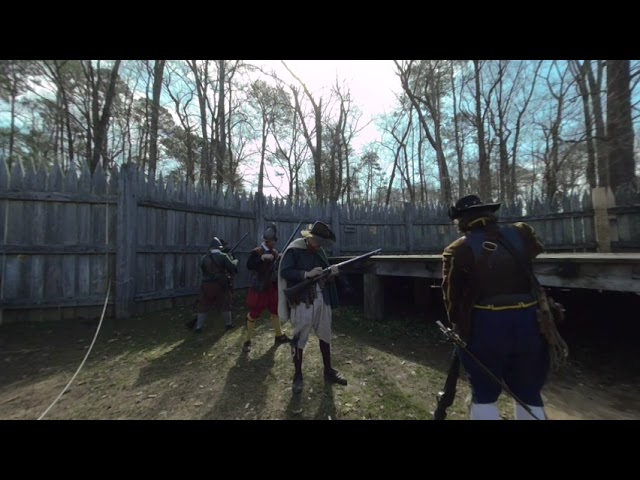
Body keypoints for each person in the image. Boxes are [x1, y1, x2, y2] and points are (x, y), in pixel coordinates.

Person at [441, 194, 548, 420]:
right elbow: (536, 250)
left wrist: (459, 328)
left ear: (461, 220)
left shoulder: (458, 249)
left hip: (487, 325)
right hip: (530, 320)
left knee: (484, 393)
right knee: (529, 392)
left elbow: (452, 298)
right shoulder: (522, 233)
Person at [277, 221, 347, 394]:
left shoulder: (319, 250)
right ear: (309, 238)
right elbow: (285, 272)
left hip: (322, 298)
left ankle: (328, 371)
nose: (319, 246)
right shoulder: (294, 249)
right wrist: (306, 274)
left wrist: (331, 272)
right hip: (302, 300)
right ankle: (298, 375)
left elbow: (324, 272)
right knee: (299, 338)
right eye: (317, 242)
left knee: (325, 334)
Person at [242, 223, 290, 353]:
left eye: (274, 241)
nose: (273, 244)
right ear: (267, 240)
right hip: (259, 287)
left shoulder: (274, 252)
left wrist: (280, 258)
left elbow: (276, 268)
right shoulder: (257, 252)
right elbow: (249, 265)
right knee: (254, 313)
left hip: (271, 287)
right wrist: (261, 259)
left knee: (275, 310)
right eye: (272, 241)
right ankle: (247, 340)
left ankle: (279, 335)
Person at [185, 236, 238, 333]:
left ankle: (199, 327)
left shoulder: (204, 258)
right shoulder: (223, 256)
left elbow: (202, 269)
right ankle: (229, 324)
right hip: (220, 285)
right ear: (219, 247)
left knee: (203, 305)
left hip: (206, 285)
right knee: (225, 304)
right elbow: (231, 266)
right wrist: (234, 260)